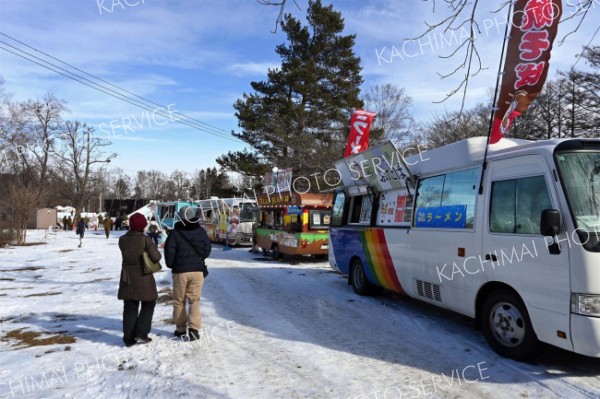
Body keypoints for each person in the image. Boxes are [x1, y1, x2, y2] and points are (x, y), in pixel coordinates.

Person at [164, 206, 211, 341]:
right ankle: (194, 329)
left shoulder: (175, 233)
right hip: (197, 271)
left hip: (180, 271)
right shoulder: (201, 232)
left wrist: (173, 265)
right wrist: (199, 258)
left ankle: (181, 329)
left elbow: (169, 253)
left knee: (179, 301)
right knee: (194, 300)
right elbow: (207, 249)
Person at [117, 213, 161, 347]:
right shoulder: (145, 239)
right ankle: (141, 332)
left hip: (127, 278)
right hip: (144, 278)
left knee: (130, 307)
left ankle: (128, 338)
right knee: (149, 303)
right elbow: (156, 257)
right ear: (142, 225)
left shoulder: (122, 239)